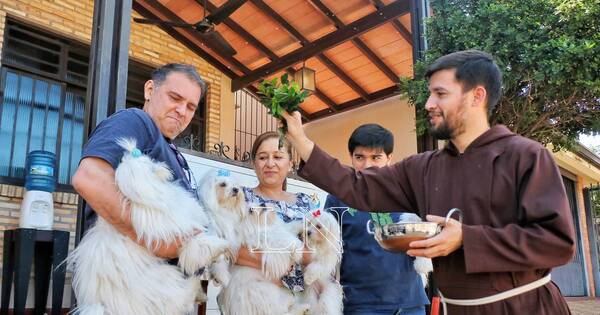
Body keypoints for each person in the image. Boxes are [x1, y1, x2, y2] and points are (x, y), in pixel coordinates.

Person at [281, 50, 575, 314]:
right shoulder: (423, 168)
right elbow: (359, 187)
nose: (428, 103)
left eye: (440, 94)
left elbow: (557, 243)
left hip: (524, 307)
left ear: (477, 96)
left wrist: (466, 238)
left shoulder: (526, 156)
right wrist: (301, 141)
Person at [72, 63, 206, 259]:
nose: (182, 110)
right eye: (175, 98)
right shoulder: (136, 121)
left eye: (191, 107)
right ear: (150, 90)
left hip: (165, 281)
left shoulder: (169, 147)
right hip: (131, 277)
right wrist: (159, 241)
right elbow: (90, 178)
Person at [324, 124, 429, 315]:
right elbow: (326, 250)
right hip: (360, 305)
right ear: (351, 158)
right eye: (360, 157)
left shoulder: (407, 194)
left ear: (389, 158)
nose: (367, 165)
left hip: (410, 304)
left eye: (376, 157)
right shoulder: (337, 198)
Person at [234, 131, 316, 291]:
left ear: (290, 164)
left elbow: (319, 250)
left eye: (278, 157)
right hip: (254, 297)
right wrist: (279, 261)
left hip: (301, 302)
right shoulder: (240, 199)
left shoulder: (305, 203)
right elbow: (230, 248)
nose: (270, 164)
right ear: (254, 163)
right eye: (263, 157)